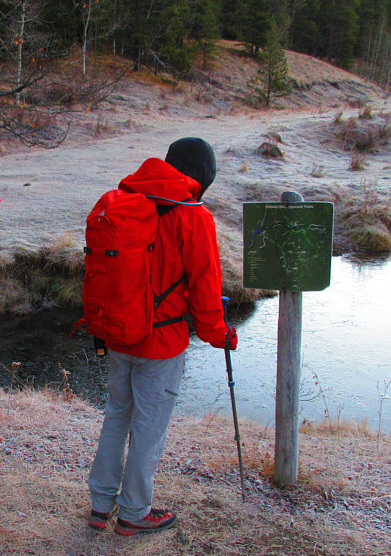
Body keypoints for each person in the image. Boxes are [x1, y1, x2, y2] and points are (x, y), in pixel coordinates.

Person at [87, 137, 238, 536]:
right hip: (161, 344)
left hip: (118, 333)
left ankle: (101, 504)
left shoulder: (124, 199)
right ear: (203, 175)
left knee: (117, 416)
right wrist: (219, 334)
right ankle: (134, 513)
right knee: (149, 430)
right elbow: (206, 289)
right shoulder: (193, 214)